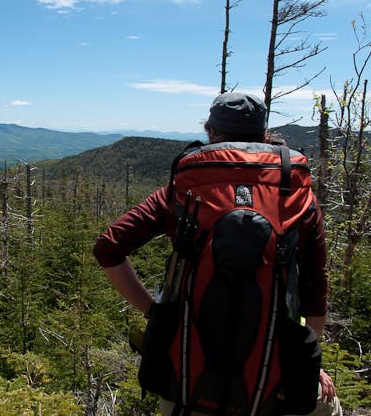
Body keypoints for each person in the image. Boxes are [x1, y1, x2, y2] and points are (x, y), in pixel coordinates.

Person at [93, 93, 342, 416]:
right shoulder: (295, 192)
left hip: (186, 377)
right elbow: (315, 285)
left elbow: (108, 247)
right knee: (329, 408)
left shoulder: (184, 187)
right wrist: (307, 358)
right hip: (273, 380)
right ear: (264, 134)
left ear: (211, 131)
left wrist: (153, 313)